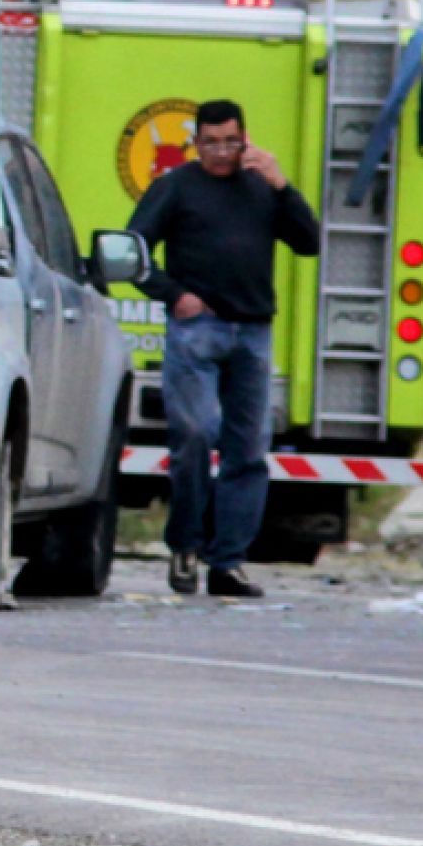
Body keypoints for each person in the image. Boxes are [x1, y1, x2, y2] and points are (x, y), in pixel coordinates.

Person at [128, 99, 320, 599]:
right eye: (210, 142)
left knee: (249, 450)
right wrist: (175, 296)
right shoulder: (175, 186)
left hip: (253, 331)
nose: (220, 152)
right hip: (197, 330)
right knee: (193, 436)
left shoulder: (262, 186)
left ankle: (227, 563)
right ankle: (185, 546)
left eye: (230, 142)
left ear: (245, 139)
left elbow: (309, 241)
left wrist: (282, 185)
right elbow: (132, 251)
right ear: (195, 143)